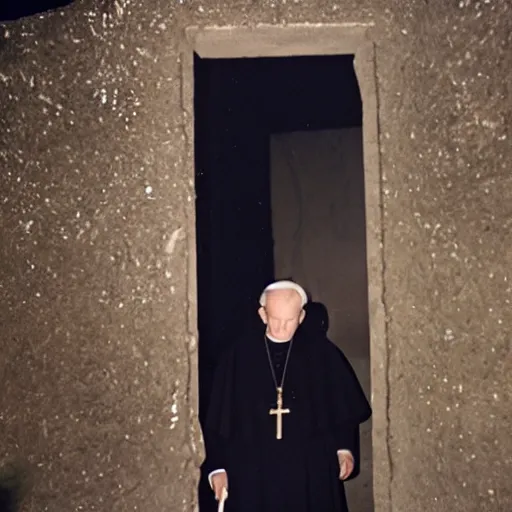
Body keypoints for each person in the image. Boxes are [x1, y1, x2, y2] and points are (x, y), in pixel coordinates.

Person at [201, 280, 371, 511]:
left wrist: (344, 449)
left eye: (289, 320)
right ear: (263, 314)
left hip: (310, 471)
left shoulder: (323, 355)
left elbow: (341, 411)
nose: (281, 328)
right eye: (275, 319)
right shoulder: (236, 357)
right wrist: (217, 468)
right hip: (252, 473)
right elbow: (216, 419)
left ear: (301, 317)